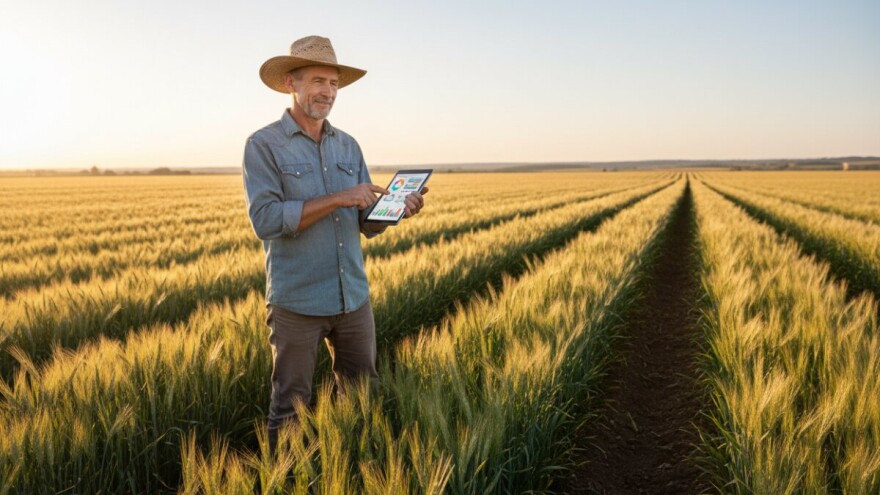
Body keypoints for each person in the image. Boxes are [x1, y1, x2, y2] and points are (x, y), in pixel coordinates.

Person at [242, 35, 427, 452]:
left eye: (334, 84)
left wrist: (395, 211)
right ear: (292, 82)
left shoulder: (348, 145)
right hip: (297, 303)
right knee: (291, 409)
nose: (327, 91)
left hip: (353, 299)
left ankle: (352, 468)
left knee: (362, 397)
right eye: (318, 81)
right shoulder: (263, 145)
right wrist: (339, 197)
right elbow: (266, 219)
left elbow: (363, 222)